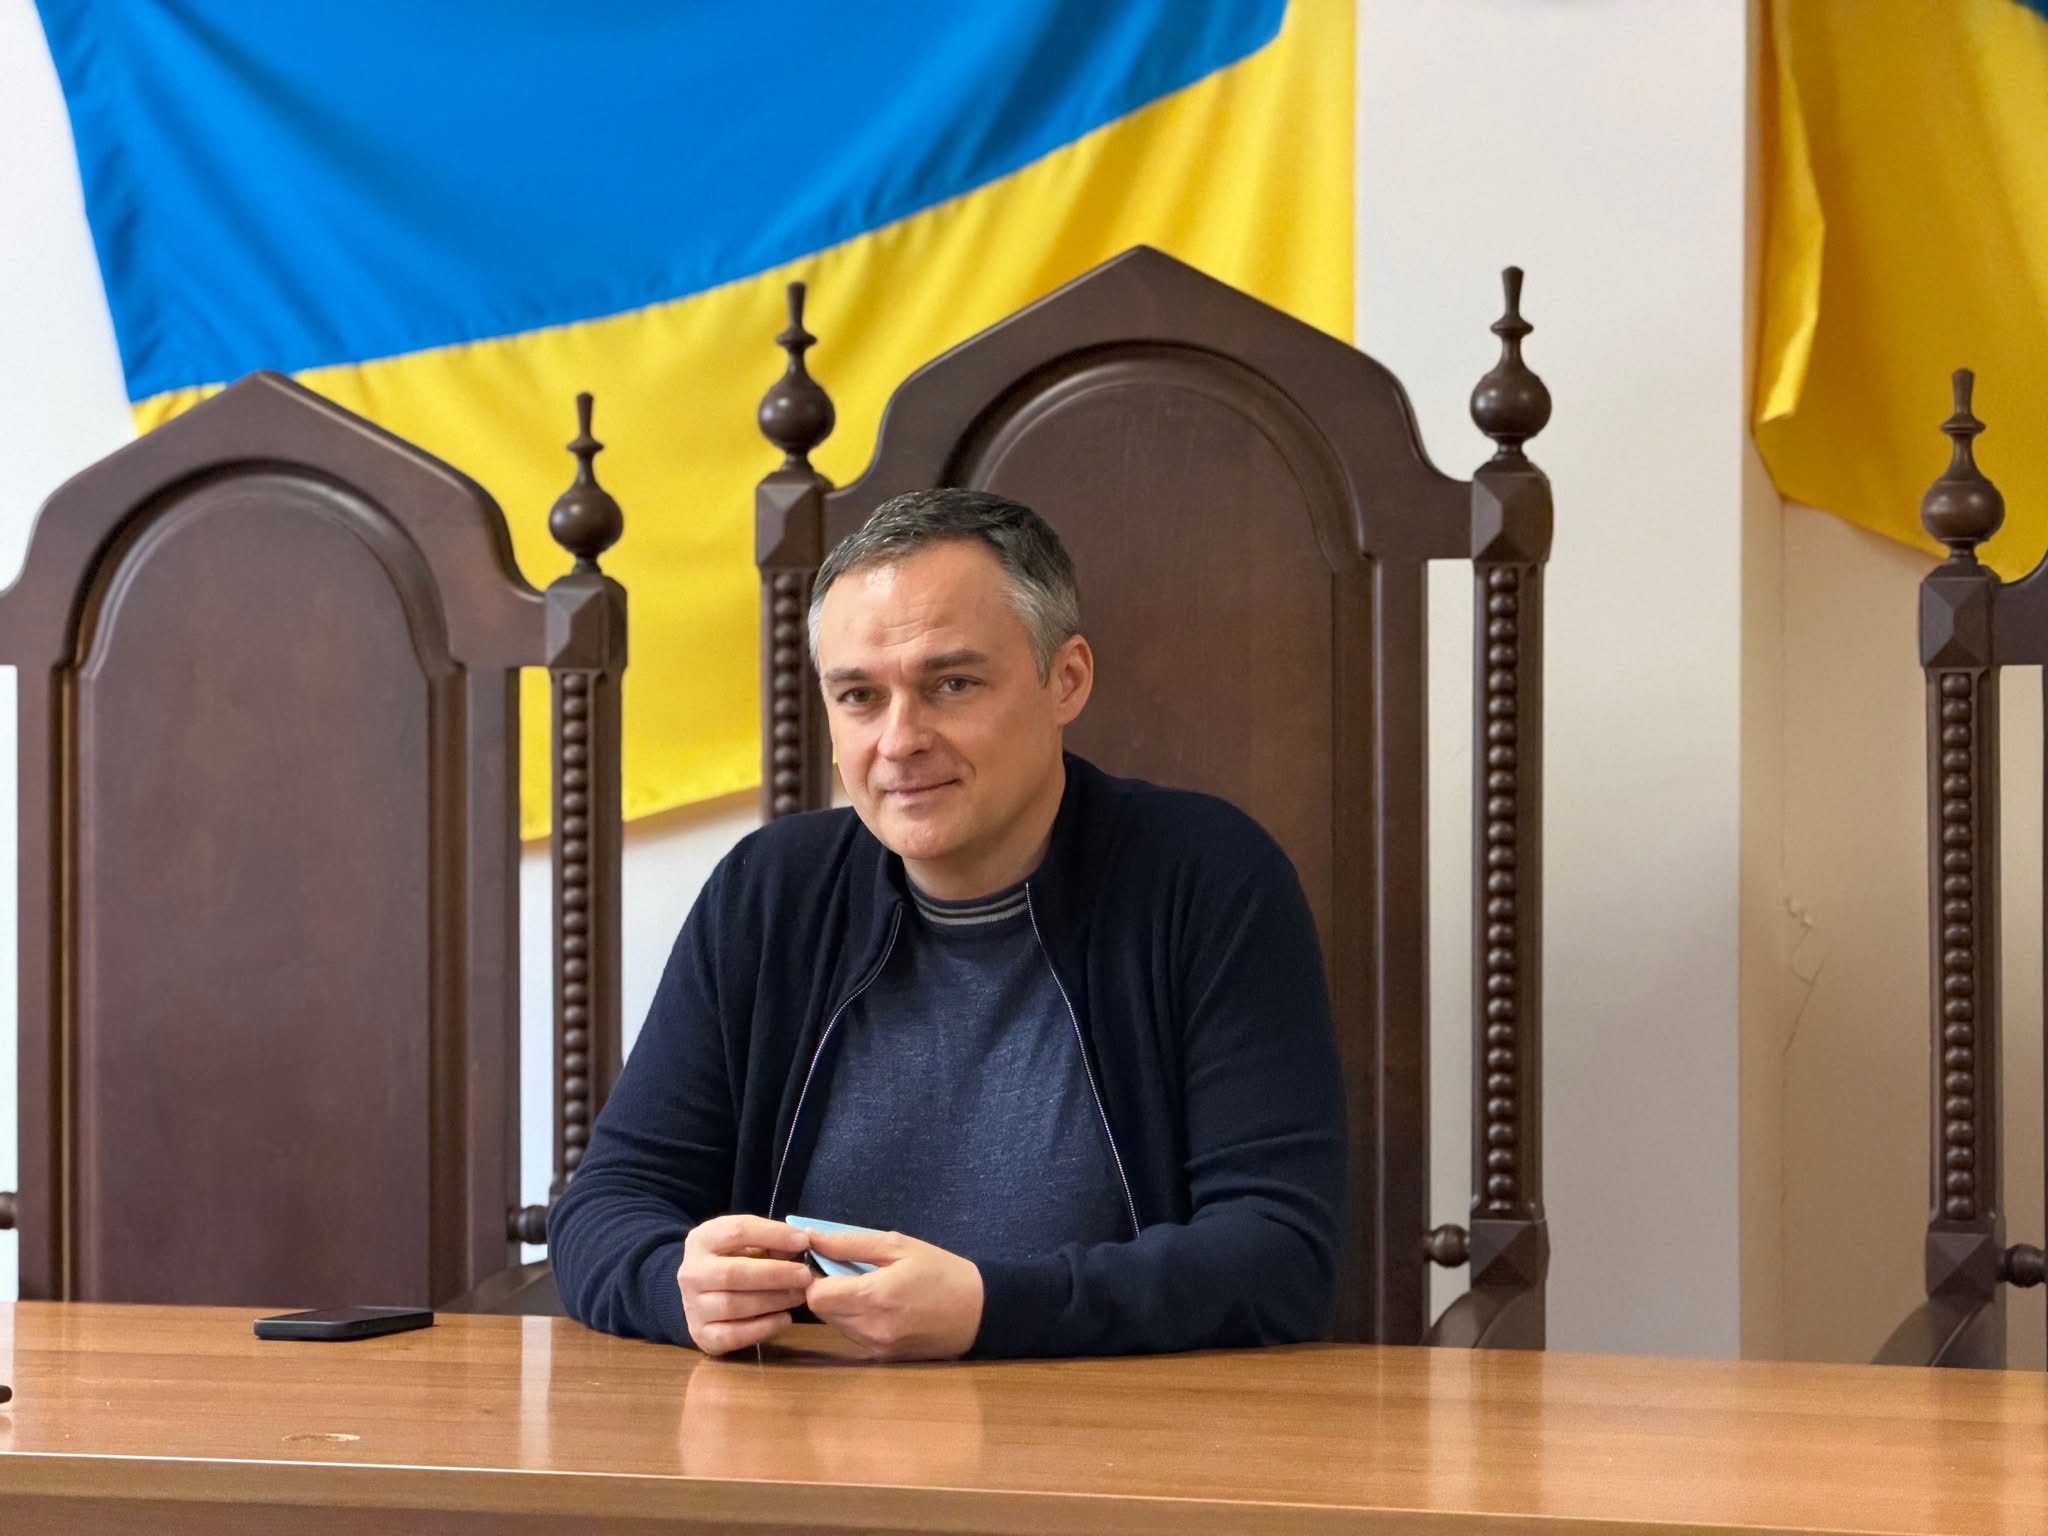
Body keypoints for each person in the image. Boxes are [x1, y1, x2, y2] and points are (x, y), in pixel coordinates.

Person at [549, 488, 1345, 1360]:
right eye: (860, 696)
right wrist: (678, 1284)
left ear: (1066, 679)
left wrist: (989, 1309)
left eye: (952, 684)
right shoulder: (769, 893)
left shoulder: (1209, 879)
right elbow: (604, 1207)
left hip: (1114, 1424)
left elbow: (1279, 1253)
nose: (900, 740)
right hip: (803, 1424)